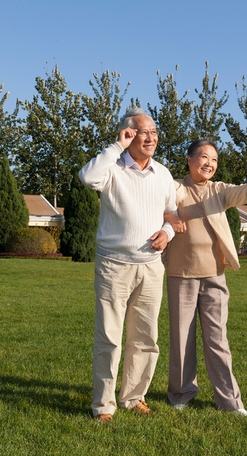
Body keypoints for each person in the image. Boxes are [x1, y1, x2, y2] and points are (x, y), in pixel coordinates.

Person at [163, 139, 247, 415]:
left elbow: (246, 191)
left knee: (218, 341)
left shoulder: (220, 191)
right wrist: (168, 214)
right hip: (181, 274)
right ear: (189, 160)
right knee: (181, 340)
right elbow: (159, 201)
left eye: (214, 159)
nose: (209, 163)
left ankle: (229, 402)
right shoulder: (175, 188)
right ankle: (180, 394)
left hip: (215, 276)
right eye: (203, 157)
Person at [78, 107, 177, 424]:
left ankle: (134, 397)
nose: (151, 137)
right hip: (114, 266)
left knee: (146, 338)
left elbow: (171, 214)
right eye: (143, 132)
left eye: (154, 132)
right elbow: (86, 177)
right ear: (129, 134)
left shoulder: (163, 174)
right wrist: (116, 146)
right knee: (109, 338)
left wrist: (168, 232)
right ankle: (104, 406)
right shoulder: (111, 169)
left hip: (151, 267)